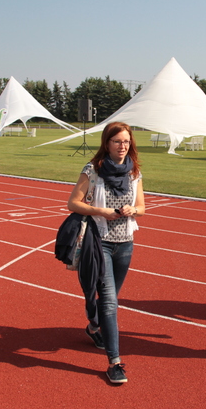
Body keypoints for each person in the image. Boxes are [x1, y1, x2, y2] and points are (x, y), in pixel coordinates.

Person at [67, 121, 145, 384]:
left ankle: (93, 327)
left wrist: (133, 210)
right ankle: (115, 362)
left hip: (125, 244)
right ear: (107, 143)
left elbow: (142, 207)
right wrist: (101, 211)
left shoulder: (134, 172)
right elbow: (72, 203)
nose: (122, 146)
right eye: (117, 141)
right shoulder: (92, 170)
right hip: (100, 242)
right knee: (110, 302)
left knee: (110, 298)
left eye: (126, 141)